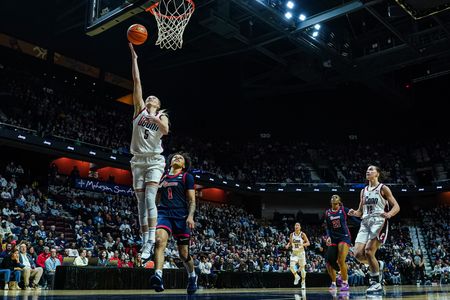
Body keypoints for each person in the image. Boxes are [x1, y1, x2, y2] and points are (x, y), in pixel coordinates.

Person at [129, 43, 169, 261]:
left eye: (154, 98)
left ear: (158, 104)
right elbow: (137, 82)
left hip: (154, 161)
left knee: (151, 199)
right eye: (149, 97)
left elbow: (166, 130)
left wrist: (156, 117)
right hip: (137, 161)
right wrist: (134, 59)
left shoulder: (161, 116)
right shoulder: (139, 110)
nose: (150, 98)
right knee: (141, 202)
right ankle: (145, 242)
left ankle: (151, 239)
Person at [149, 153, 197, 295]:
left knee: (183, 254)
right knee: (159, 241)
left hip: (181, 216)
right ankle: (158, 276)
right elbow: (156, 199)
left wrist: (190, 216)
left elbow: (192, 200)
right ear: (170, 163)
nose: (177, 158)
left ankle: (192, 276)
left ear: (183, 165)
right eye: (174, 157)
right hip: (164, 214)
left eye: (180, 158)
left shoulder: (186, 177)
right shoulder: (162, 177)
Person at [348, 165, 400, 294]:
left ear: (377, 174)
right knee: (358, 254)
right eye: (367, 169)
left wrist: (389, 214)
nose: (368, 171)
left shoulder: (383, 188)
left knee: (369, 251)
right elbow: (361, 212)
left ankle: (376, 282)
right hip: (365, 222)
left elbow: (396, 206)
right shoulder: (363, 191)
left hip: (379, 221)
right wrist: (354, 212)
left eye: (371, 169)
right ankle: (379, 265)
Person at [324, 194, 360, 292]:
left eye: (336, 202)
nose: (334, 204)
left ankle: (345, 282)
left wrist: (363, 223)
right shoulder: (327, 213)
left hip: (344, 237)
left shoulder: (344, 210)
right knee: (328, 261)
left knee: (340, 260)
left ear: (339, 202)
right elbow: (327, 227)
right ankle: (335, 281)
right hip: (333, 238)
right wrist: (328, 237)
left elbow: (355, 219)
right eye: (332, 202)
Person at [285, 222, 310, 289]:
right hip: (294, 253)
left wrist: (302, 245)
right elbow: (290, 242)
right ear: (294, 227)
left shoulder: (302, 234)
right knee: (291, 266)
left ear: (300, 227)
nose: (296, 226)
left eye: (298, 225)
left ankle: (303, 282)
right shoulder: (291, 234)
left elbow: (308, 243)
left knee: (302, 270)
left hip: (301, 253)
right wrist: (288, 245)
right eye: (295, 225)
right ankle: (296, 276)